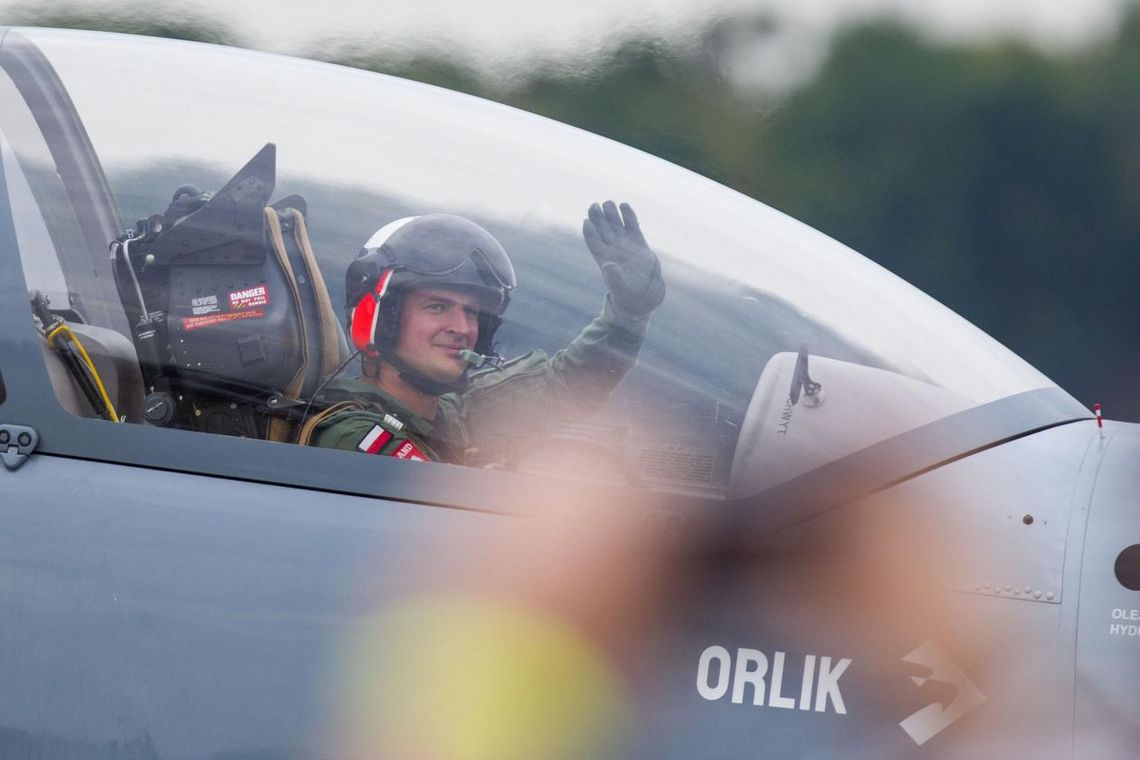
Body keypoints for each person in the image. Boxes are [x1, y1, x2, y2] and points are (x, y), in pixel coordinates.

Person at [305, 200, 665, 465]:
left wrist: (629, 314)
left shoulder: (453, 416)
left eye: (473, 312)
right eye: (437, 306)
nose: (462, 328)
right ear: (383, 319)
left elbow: (566, 384)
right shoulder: (352, 436)